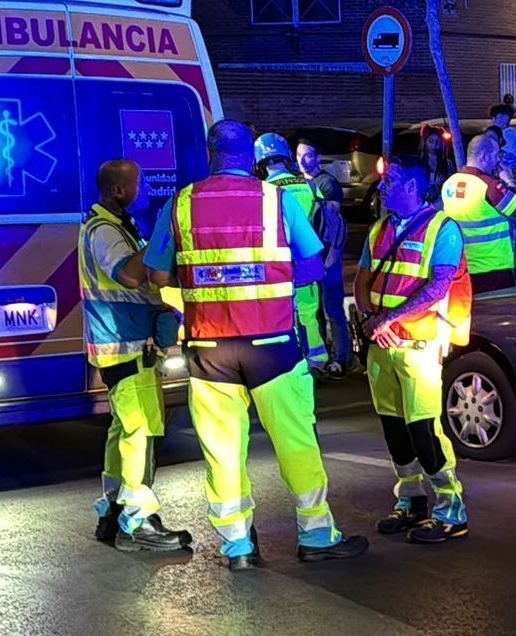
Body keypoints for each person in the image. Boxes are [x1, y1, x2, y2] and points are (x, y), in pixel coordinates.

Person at [145, 119, 368, 570]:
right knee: (295, 441)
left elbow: (156, 276)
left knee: (223, 451)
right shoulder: (276, 200)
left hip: (209, 351)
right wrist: (269, 283)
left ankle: (239, 546)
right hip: (272, 345)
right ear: (251, 157)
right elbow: (313, 267)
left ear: (210, 154)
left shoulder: (180, 204)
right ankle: (316, 534)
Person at [356, 159, 471, 544]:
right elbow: (361, 281)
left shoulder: (443, 229)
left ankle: (450, 509)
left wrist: (387, 321)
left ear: (414, 188)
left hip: (417, 345)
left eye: (392, 183)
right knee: (394, 430)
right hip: (382, 345)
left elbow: (438, 287)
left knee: (424, 429)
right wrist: (373, 319)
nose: (383, 188)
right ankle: (410, 500)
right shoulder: (379, 230)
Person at [83, 159, 192, 553]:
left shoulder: (111, 225)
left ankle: (113, 510)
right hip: (123, 342)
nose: (143, 190)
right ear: (118, 191)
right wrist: (162, 236)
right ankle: (137, 521)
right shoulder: (104, 232)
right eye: (137, 184)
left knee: (122, 431)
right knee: (140, 433)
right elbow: (130, 275)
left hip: (123, 341)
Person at [255, 133, 329, 372]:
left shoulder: (264, 190)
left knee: (284, 316)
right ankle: (317, 360)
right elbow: (325, 220)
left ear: (261, 162)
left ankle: (296, 363)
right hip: (309, 261)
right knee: (309, 314)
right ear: (287, 157)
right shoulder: (309, 185)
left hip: (279, 267)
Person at [442, 135, 516, 293]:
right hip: (493, 269)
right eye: (496, 155)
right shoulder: (489, 186)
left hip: (462, 269)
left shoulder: (450, 183)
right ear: (484, 157)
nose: (497, 161)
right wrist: (510, 179)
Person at [310, 169, 354, 376]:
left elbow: (336, 236)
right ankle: (334, 357)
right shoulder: (317, 199)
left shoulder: (324, 201)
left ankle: (340, 358)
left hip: (325, 265)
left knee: (331, 310)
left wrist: (327, 264)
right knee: (323, 311)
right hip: (320, 264)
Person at [489, 103, 516, 275]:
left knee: (512, 226)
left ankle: (514, 263)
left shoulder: (506, 136)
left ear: (501, 118)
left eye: (495, 118)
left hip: (510, 187)